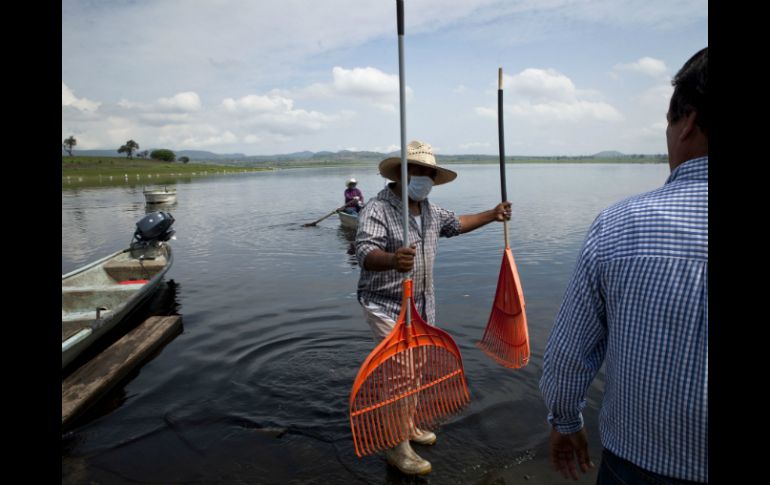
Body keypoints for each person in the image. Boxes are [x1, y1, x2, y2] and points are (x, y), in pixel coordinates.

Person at [539, 47, 708, 484]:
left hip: (639, 466)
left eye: (668, 123)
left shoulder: (622, 225)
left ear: (686, 120)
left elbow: (569, 354)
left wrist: (566, 422)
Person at [355, 140, 512, 475]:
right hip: (386, 304)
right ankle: (397, 447)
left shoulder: (428, 208)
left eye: (429, 173)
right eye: (418, 171)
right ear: (401, 173)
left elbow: (456, 224)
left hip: (422, 306)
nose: (424, 178)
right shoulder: (377, 209)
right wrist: (392, 260)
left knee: (415, 372)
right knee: (400, 375)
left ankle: (408, 426)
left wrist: (492, 214)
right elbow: (364, 254)